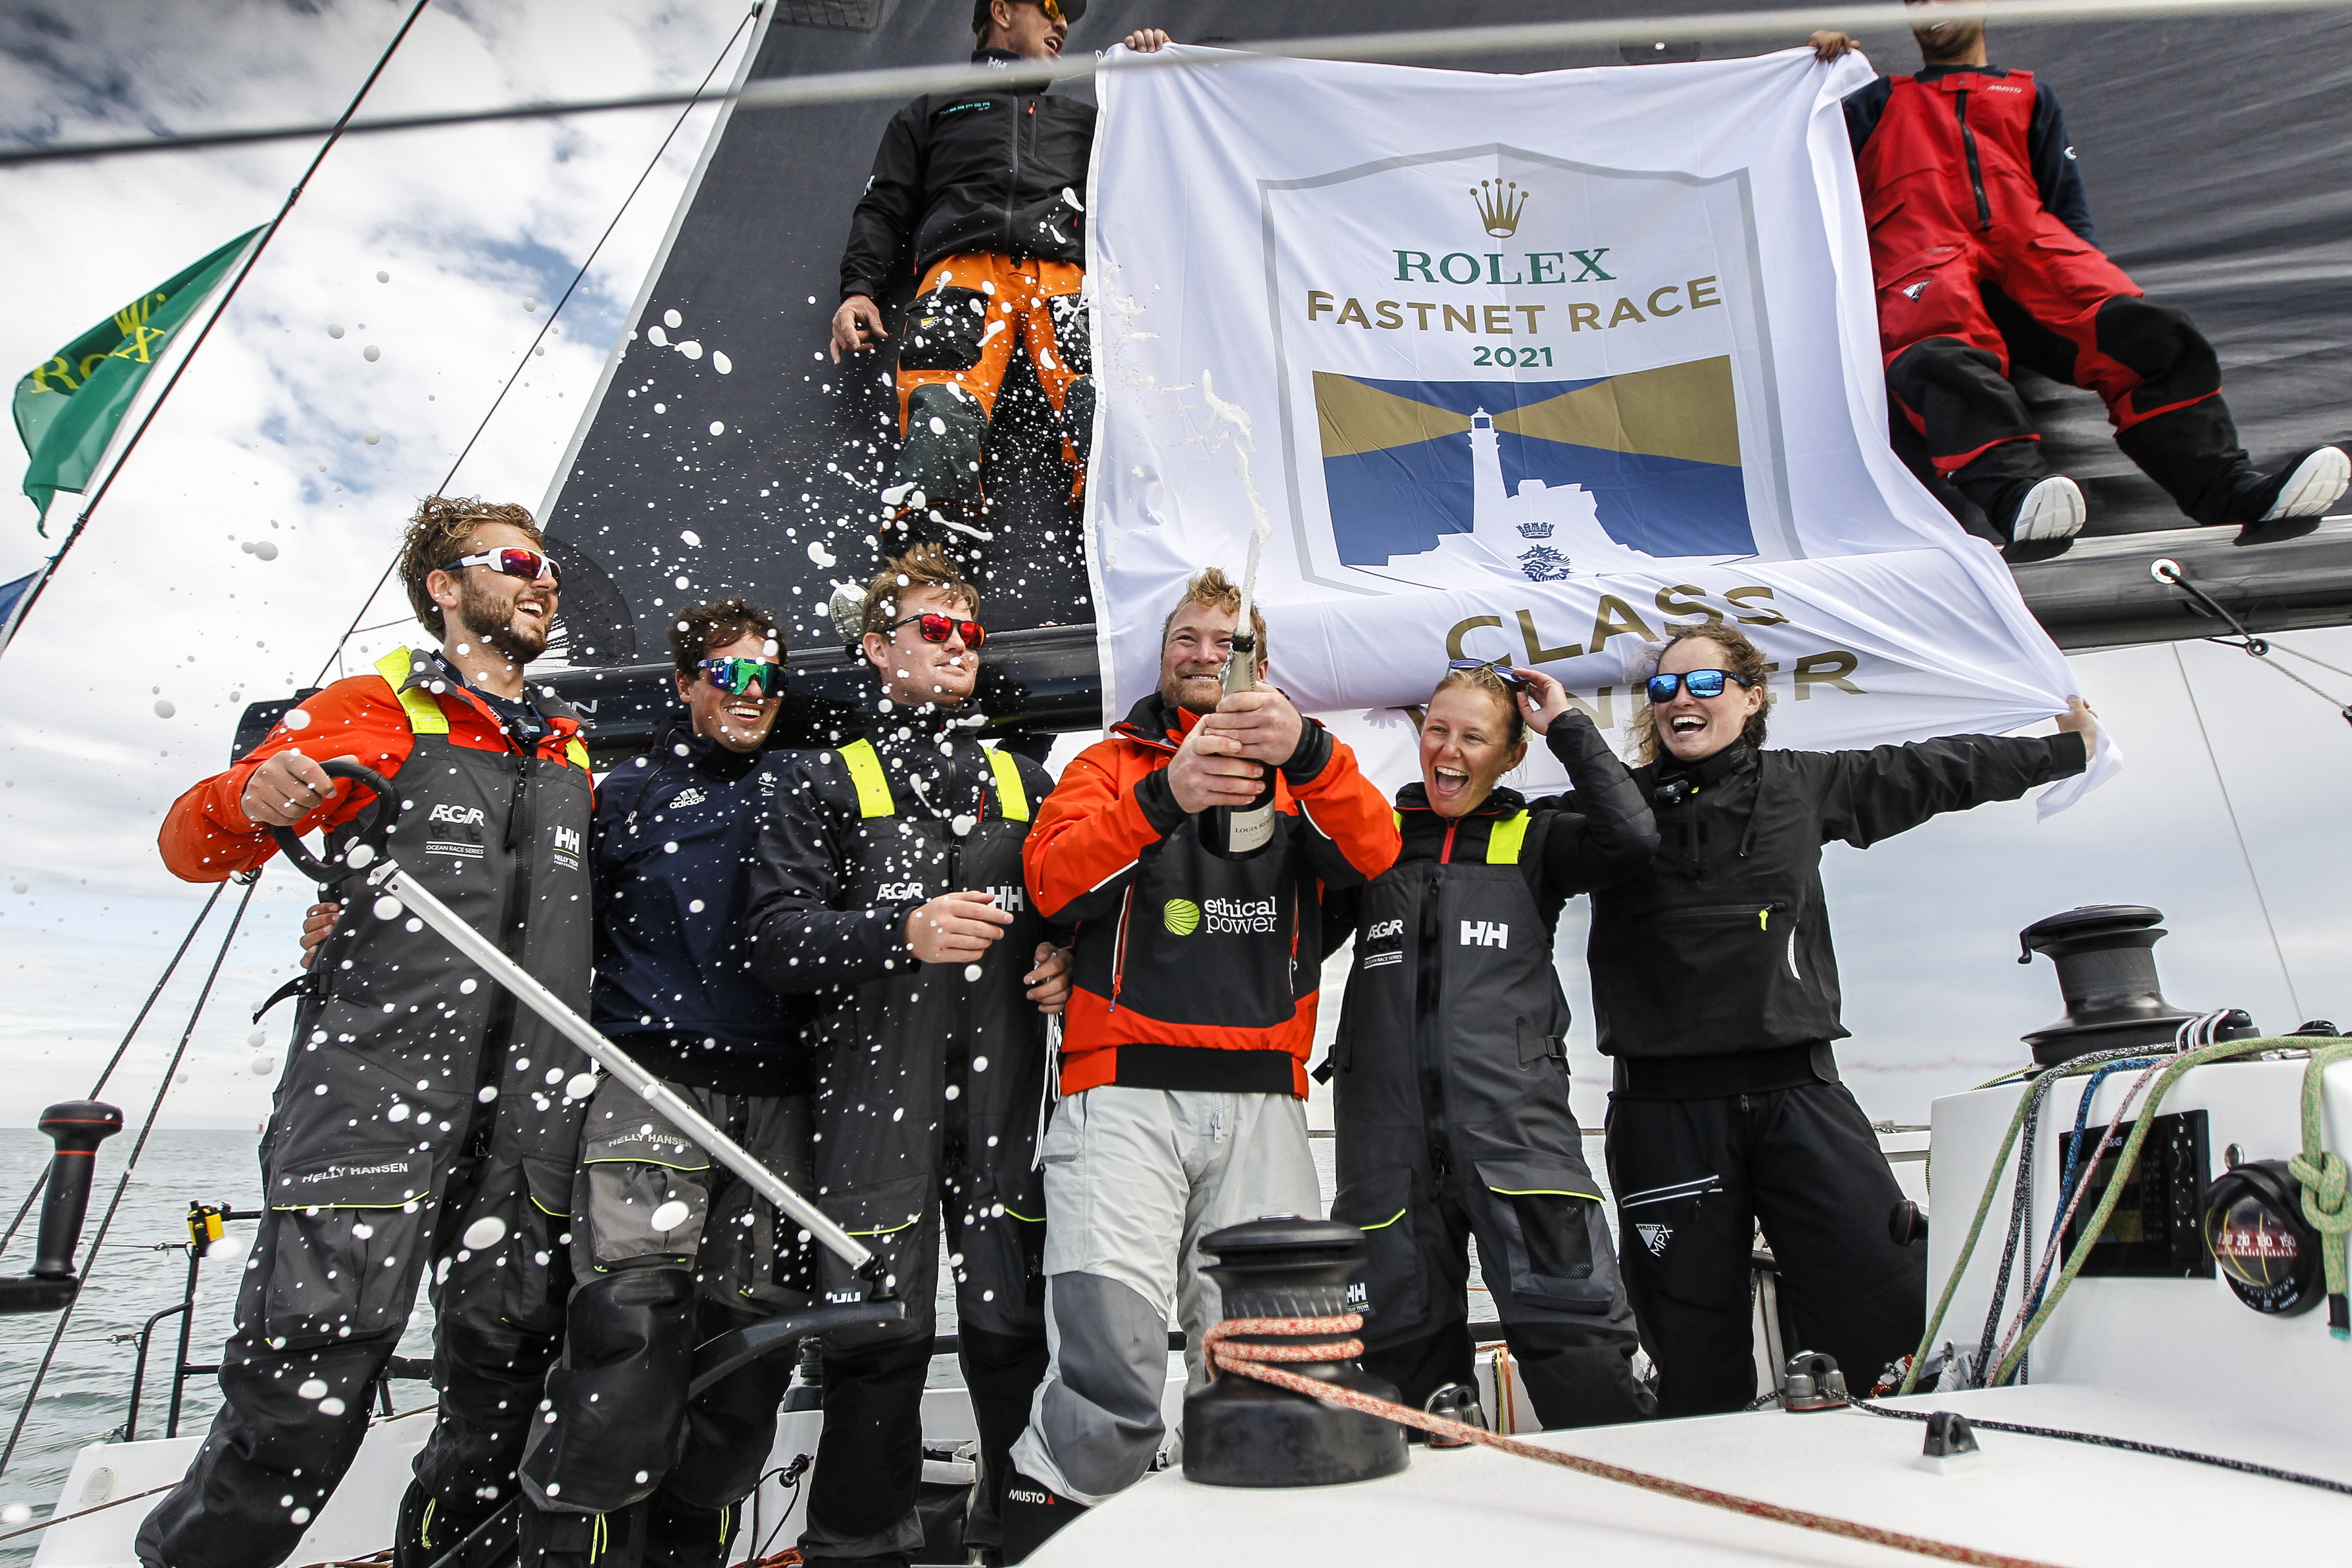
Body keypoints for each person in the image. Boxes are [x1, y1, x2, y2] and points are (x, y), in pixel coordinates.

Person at [142, 498, 594, 1568]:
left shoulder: (573, 749)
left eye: (549, 570)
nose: (544, 583)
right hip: (374, 1101)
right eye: (516, 562)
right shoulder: (370, 709)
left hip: (531, 1121)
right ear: (444, 587)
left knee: (501, 1392)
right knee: (301, 1395)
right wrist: (252, 795)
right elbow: (190, 841)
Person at [1588, 622, 2097, 1418]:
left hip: (1798, 1091)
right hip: (1663, 1110)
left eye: (1704, 683)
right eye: (1663, 687)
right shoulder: (1613, 812)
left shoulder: (1803, 785)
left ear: (1752, 697)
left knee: (1878, 1296)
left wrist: (2061, 751)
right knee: (1689, 1337)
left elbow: (1934, 771)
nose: (1680, 698)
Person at [998, 568, 1400, 1561]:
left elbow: (1377, 852)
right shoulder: (1106, 761)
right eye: (1187, 637)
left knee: (1262, 1369)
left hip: (1264, 1102)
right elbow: (1051, 883)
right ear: (1165, 650)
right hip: (1122, 1093)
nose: (1204, 653)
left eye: (1228, 641)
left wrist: (1304, 750)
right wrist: (1162, 798)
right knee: (1114, 1375)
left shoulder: (1305, 770)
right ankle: (1041, 1543)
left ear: (1257, 660)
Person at [744, 545, 1070, 1568]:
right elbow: (772, 942)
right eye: (935, 628)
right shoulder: (816, 780)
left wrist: (1071, 957)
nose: (958, 645)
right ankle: (858, 1542)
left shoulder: (1030, 782)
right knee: (874, 1341)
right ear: (877, 647)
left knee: (1014, 1329)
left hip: (1009, 1100)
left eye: (970, 631)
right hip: (872, 1105)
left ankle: (1020, 1531)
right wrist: (901, 935)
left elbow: (1093, 910)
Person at [511, 598, 819, 1568]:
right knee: (626, 1331)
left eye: (767, 677)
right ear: (685, 683)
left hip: (782, 1100)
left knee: (751, 1352)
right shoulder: (621, 796)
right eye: (728, 675)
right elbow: (536, 914)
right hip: (652, 1087)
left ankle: (694, 1548)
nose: (751, 694)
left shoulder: (809, 786)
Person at [1810, 6, 2347, 550]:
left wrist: (2086, 278)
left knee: (2151, 334)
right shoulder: (1874, 102)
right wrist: (1815, 73)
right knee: (1938, 357)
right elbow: (1803, 153)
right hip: (1926, 263)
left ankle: (2230, 491)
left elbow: (2065, 202)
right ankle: (2017, 498)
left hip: (2031, 260)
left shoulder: (2029, 95)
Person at [1324, 661, 1657, 1433]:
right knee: (1400, 1386)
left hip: (1519, 1149)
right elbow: (1287, 934)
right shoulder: (1376, 840)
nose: (1449, 749)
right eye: (1436, 729)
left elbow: (1633, 837)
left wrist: (1568, 728)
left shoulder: (1536, 837)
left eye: (1474, 736)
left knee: (1584, 1360)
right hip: (1387, 1160)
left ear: (1510, 756)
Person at [830, 2, 1168, 546]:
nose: (1062, 24)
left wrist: (1156, 88)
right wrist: (858, 291)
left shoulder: (1086, 123)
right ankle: (932, 587)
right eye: (1052, 7)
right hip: (962, 271)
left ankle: (1138, 548)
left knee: (1102, 413)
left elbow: (1154, 181)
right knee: (942, 412)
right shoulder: (933, 109)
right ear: (1002, 10)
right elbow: (883, 207)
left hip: (1064, 278)